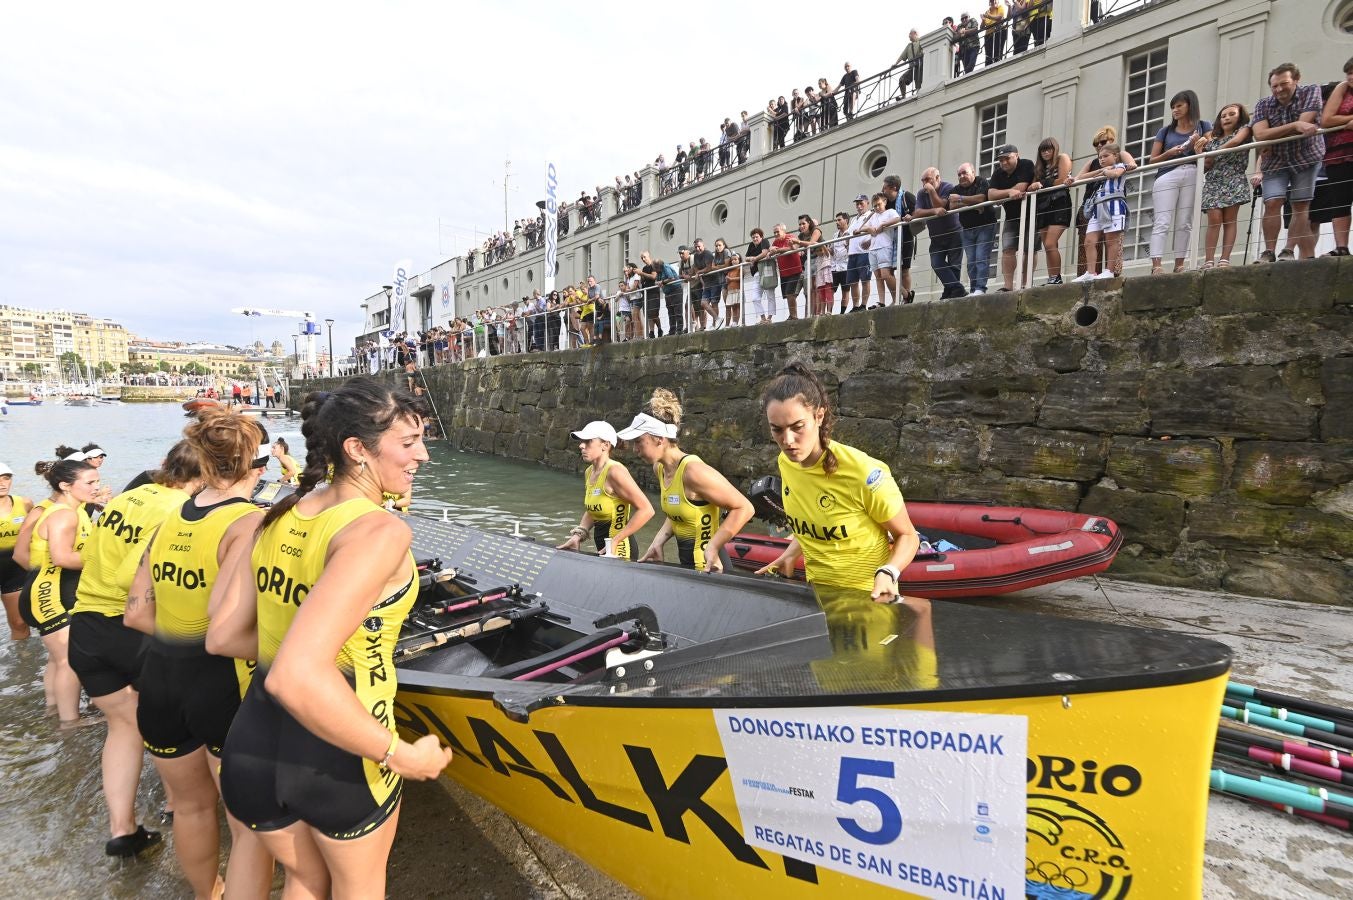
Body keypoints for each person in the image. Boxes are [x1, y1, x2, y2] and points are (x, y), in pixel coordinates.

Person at [216, 380, 449, 899]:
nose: (423, 456)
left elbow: (225, 636)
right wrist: (400, 754)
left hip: (252, 743)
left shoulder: (278, 512)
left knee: (303, 879)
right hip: (338, 752)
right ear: (357, 449)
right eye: (408, 443)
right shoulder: (380, 533)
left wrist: (299, 647)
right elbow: (298, 675)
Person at [125, 412, 274, 900]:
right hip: (221, 686)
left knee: (190, 809)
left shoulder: (170, 517)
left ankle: (208, 892)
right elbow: (225, 624)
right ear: (256, 465)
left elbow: (136, 614)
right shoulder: (247, 521)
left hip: (161, 678)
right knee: (248, 823)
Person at [69, 441, 201, 859]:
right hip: (132, 630)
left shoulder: (128, 497)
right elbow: (138, 579)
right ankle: (176, 803)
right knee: (170, 724)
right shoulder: (177, 512)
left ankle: (122, 829)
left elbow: (91, 553)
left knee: (123, 726)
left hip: (86, 627)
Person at [753, 362, 922, 607]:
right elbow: (814, 520)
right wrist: (790, 554)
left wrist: (889, 572)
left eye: (797, 427)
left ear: (819, 416)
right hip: (818, 596)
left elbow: (907, 535)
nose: (787, 441)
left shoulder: (863, 472)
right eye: (776, 430)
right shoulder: (786, 462)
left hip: (868, 597)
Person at [623, 389, 754, 573]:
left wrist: (714, 546)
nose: (634, 449)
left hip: (712, 568)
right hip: (686, 566)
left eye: (638, 441)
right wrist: (658, 541)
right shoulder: (659, 468)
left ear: (660, 439)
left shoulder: (693, 472)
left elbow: (744, 508)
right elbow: (679, 512)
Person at [17, 457, 99, 724]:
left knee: (56, 659)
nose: (96, 487)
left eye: (97, 481)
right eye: (90, 483)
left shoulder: (73, 511)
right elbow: (63, 557)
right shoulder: (65, 515)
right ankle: (70, 722)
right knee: (68, 660)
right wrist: (104, 560)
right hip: (50, 593)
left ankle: (52, 710)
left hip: (44, 589)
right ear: (65, 485)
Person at [1252, 63, 1325, 262]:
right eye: (1274, 86)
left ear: (1296, 80)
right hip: (1276, 160)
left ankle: (1289, 250)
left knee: (1300, 205)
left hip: (1306, 158)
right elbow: (1259, 134)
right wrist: (1295, 125)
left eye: (1283, 83)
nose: (1279, 89)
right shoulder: (1263, 104)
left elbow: (1306, 124)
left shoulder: (1311, 91)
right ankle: (1268, 252)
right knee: (1272, 202)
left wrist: (1272, 135)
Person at [557, 421, 654, 559]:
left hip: (621, 549)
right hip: (603, 546)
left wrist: (616, 540)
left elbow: (647, 510)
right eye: (581, 441)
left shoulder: (615, 471)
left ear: (605, 445)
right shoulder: (589, 472)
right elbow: (594, 509)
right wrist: (578, 536)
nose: (581, 446)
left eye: (588, 441)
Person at [1148, 90, 1210, 274]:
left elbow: (1211, 148)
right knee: (1162, 220)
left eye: (1179, 106)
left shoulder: (1203, 126)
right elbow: (1153, 160)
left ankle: (1180, 264)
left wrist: (1200, 145)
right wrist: (1169, 153)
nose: (1175, 110)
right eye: (1173, 107)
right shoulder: (1165, 131)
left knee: (1185, 221)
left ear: (1190, 105)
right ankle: (1156, 265)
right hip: (1168, 173)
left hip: (1192, 171)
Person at [1067, 126, 1138, 277]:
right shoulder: (1094, 162)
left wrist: (1107, 170)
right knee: (1089, 241)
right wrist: (1100, 171)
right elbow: (1078, 177)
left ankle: (1111, 272)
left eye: (1103, 142)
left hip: (1113, 203)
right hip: (1093, 204)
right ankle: (1090, 272)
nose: (1099, 146)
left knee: (1111, 239)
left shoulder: (1121, 156)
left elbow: (1130, 166)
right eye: (1096, 143)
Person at [1194, 104, 1253, 268]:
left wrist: (1215, 151)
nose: (1226, 118)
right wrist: (1199, 153)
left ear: (1240, 117)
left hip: (1234, 178)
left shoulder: (1245, 130)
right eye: (1223, 115)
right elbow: (1206, 166)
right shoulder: (1212, 140)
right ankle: (1209, 260)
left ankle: (1225, 259)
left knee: (1229, 220)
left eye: (1231, 114)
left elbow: (1236, 141)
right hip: (1214, 181)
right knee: (1214, 218)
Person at [1313, 57, 1353, 257]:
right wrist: (1350, 120)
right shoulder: (1343, 88)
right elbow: (1327, 119)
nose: (1351, 76)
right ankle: (1342, 247)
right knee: (1341, 199)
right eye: (1349, 72)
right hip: (1340, 152)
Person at [987, 144, 1036, 291]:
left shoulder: (1026, 164)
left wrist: (1003, 193)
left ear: (1016, 155)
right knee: (1007, 249)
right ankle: (1008, 286)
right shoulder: (998, 173)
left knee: (1029, 249)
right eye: (1000, 160)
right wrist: (1009, 192)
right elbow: (991, 195)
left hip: (1031, 213)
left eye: (1007, 158)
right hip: (1011, 216)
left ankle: (1026, 283)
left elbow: (1021, 187)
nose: (1003, 162)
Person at [913, 166, 967, 298]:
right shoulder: (921, 193)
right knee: (936, 263)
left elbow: (941, 205)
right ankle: (958, 289)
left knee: (955, 265)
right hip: (936, 237)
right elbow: (918, 212)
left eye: (928, 179)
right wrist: (933, 211)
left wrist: (931, 191)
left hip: (954, 232)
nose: (925, 183)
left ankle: (950, 291)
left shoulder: (947, 187)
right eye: (923, 180)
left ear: (938, 178)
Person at [1028, 137, 1074, 284]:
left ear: (1055, 149)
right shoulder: (1039, 168)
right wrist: (1036, 185)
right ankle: (1052, 277)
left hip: (1059, 203)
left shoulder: (1062, 158)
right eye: (1043, 150)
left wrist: (1040, 184)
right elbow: (1030, 187)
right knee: (1049, 246)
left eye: (1049, 149)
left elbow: (1062, 181)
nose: (1046, 152)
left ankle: (1056, 277)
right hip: (1043, 207)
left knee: (1050, 243)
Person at [949, 162, 999, 295]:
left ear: (973, 172)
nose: (961, 176)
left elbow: (982, 198)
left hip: (985, 226)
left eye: (964, 173)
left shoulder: (981, 181)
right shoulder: (956, 188)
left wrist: (960, 199)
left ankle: (980, 288)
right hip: (967, 229)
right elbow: (952, 206)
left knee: (981, 257)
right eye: (959, 174)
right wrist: (973, 202)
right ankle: (973, 289)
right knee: (971, 262)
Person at [0, 462, 34, 640]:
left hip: (14, 568)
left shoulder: (25, 503)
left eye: (6, 478)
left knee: (19, 622)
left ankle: (24, 662)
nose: (2, 483)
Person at [855, 193, 901, 306]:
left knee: (886, 275)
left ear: (885, 202)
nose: (876, 208)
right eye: (875, 206)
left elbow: (897, 219)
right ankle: (882, 301)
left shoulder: (890, 212)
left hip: (885, 246)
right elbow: (863, 227)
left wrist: (883, 224)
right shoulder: (873, 215)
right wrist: (869, 228)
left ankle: (901, 295)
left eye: (879, 204)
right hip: (873, 248)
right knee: (878, 277)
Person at [881, 174, 918, 302]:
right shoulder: (885, 202)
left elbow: (917, 212)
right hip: (890, 240)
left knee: (904, 270)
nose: (882, 190)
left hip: (906, 238)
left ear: (893, 187)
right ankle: (897, 298)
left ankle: (906, 299)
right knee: (888, 272)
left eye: (885, 187)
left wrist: (911, 217)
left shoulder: (907, 197)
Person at [794, 215, 830, 316]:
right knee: (810, 289)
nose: (801, 226)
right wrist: (789, 244)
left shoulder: (816, 230)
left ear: (809, 223)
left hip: (820, 259)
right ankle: (811, 313)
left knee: (817, 287)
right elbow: (794, 247)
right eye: (800, 224)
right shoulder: (801, 235)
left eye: (803, 223)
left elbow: (811, 243)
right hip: (809, 261)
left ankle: (817, 312)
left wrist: (798, 242)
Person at [845, 194, 873, 311]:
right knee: (853, 282)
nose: (859, 206)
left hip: (864, 252)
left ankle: (863, 304)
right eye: (857, 203)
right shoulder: (853, 219)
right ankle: (855, 305)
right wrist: (846, 239)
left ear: (867, 203)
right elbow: (848, 233)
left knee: (865, 279)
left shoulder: (871, 215)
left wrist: (870, 242)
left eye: (861, 203)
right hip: (852, 253)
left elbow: (875, 231)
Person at [770, 223, 803, 319]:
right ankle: (792, 315)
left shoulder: (790, 237)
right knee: (787, 295)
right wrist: (770, 250)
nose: (776, 234)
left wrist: (777, 250)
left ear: (783, 231)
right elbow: (772, 250)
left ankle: (794, 316)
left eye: (777, 232)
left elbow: (793, 248)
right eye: (774, 232)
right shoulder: (775, 242)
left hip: (794, 270)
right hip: (784, 272)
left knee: (789, 293)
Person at [745, 227, 774, 324]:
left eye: (756, 237)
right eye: (753, 237)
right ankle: (763, 318)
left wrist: (754, 259)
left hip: (766, 270)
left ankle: (769, 318)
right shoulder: (751, 245)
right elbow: (746, 258)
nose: (755, 239)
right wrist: (751, 258)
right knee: (755, 297)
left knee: (770, 295)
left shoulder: (764, 241)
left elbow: (765, 253)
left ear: (761, 237)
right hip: (756, 273)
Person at [830, 213, 852, 313]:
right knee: (831, 290)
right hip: (834, 267)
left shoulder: (850, 233)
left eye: (839, 220)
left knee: (845, 290)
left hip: (846, 266)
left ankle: (842, 313)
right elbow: (832, 250)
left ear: (846, 220)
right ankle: (828, 311)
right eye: (836, 220)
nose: (837, 222)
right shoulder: (835, 234)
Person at [895, 31, 923, 100]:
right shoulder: (909, 46)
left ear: (915, 34)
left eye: (910, 34)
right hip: (912, 67)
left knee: (918, 83)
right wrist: (896, 64)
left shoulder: (921, 41)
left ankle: (919, 95)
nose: (909, 36)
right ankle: (903, 97)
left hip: (920, 66)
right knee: (902, 80)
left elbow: (925, 51)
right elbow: (902, 56)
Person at [982, 0, 1007, 67]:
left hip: (999, 32)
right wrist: (983, 20)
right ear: (989, 3)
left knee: (997, 52)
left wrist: (989, 16)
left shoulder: (1000, 7)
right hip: (988, 34)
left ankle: (997, 65)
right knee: (988, 55)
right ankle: (988, 68)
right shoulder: (987, 12)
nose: (993, 2)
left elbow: (999, 17)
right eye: (992, 1)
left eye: (995, 1)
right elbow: (982, 27)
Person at [724, 253, 743, 327]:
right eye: (732, 260)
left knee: (737, 306)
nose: (734, 261)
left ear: (739, 260)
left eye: (735, 259)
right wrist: (727, 280)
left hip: (737, 290)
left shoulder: (740, 268)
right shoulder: (730, 271)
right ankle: (731, 323)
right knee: (732, 307)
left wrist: (731, 279)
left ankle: (736, 322)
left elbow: (741, 277)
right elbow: (727, 281)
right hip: (730, 291)